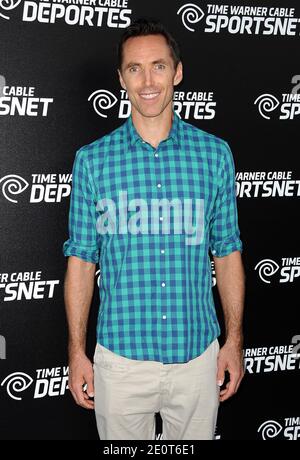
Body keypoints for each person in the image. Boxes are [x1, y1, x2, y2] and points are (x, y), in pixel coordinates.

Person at [62, 18, 245, 440]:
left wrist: (233, 341)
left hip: (197, 358)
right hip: (121, 362)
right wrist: (76, 351)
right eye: (134, 68)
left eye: (159, 66)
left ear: (177, 73)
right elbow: (81, 260)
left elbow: (228, 250)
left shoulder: (214, 155)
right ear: (121, 78)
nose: (148, 80)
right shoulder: (93, 161)